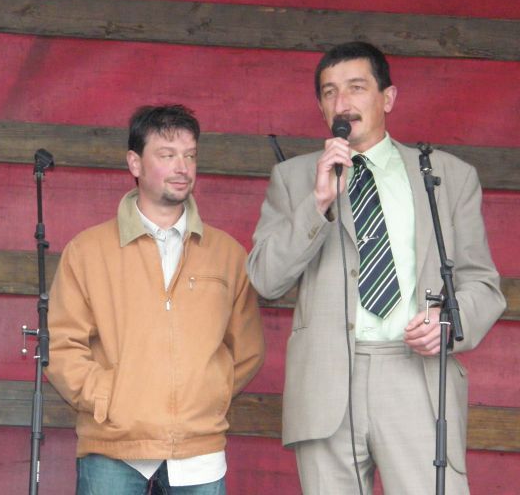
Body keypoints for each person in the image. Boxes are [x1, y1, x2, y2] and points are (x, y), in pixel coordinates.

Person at [247, 41, 505, 494]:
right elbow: (266, 279)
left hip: (415, 372)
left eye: (356, 87)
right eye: (329, 92)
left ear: (387, 98)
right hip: (326, 383)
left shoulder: (447, 176)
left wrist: (449, 321)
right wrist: (317, 203)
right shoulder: (294, 179)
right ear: (320, 107)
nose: (342, 103)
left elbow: (482, 284)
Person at [46, 104, 265, 494]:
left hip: (199, 449)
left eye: (190, 156)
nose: (182, 167)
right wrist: (108, 398)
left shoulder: (227, 254)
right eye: (167, 155)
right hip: (113, 445)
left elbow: (247, 349)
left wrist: (207, 395)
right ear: (135, 163)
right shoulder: (88, 251)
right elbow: (61, 346)